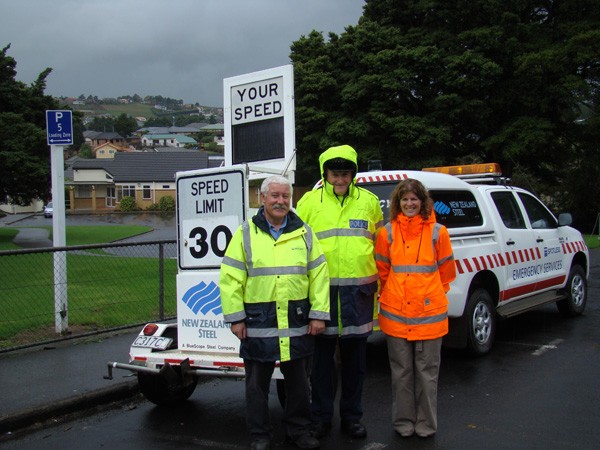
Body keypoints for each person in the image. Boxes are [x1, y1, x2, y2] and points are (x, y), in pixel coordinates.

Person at [220, 175, 330, 450]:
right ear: (262, 198)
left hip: (297, 322)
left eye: (285, 196)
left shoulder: (304, 232)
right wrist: (236, 319)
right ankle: (260, 435)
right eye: (275, 196)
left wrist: (318, 314)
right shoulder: (245, 233)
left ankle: (299, 431)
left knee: (299, 386)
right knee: (257, 386)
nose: (281, 201)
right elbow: (231, 278)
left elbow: (319, 275)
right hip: (258, 323)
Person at [296, 144, 384, 439]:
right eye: (334, 173)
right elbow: (299, 248)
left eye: (345, 173)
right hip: (322, 297)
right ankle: (321, 417)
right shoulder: (309, 203)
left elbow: (379, 247)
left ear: (353, 174)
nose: (340, 179)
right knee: (321, 365)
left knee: (356, 364)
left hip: (358, 296)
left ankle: (352, 417)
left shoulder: (369, 203)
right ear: (325, 173)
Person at [375, 178, 456, 438]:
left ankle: (426, 425)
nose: (409, 203)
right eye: (405, 199)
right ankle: (403, 423)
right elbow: (383, 272)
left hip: (429, 317)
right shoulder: (386, 232)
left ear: (423, 202)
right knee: (401, 375)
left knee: (427, 375)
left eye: (414, 199)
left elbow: (446, 273)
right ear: (398, 203)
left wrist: (428, 296)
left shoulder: (438, 232)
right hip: (397, 316)